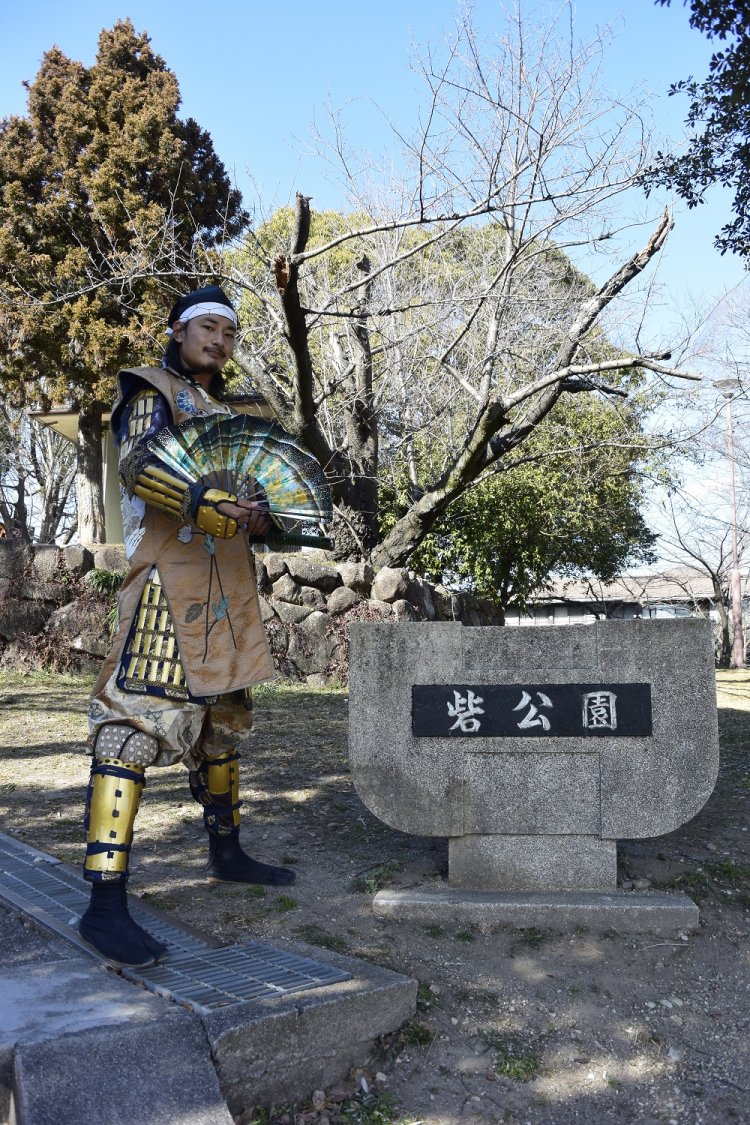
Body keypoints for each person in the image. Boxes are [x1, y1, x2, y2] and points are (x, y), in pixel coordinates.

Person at [79, 285, 294, 968]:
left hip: (227, 588)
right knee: (132, 727)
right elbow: (139, 464)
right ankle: (104, 903)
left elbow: (258, 498)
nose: (219, 342)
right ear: (178, 329)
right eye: (208, 328)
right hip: (168, 582)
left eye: (229, 333)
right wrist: (202, 501)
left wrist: (260, 517)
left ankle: (227, 852)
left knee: (222, 725)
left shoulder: (231, 414)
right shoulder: (154, 391)